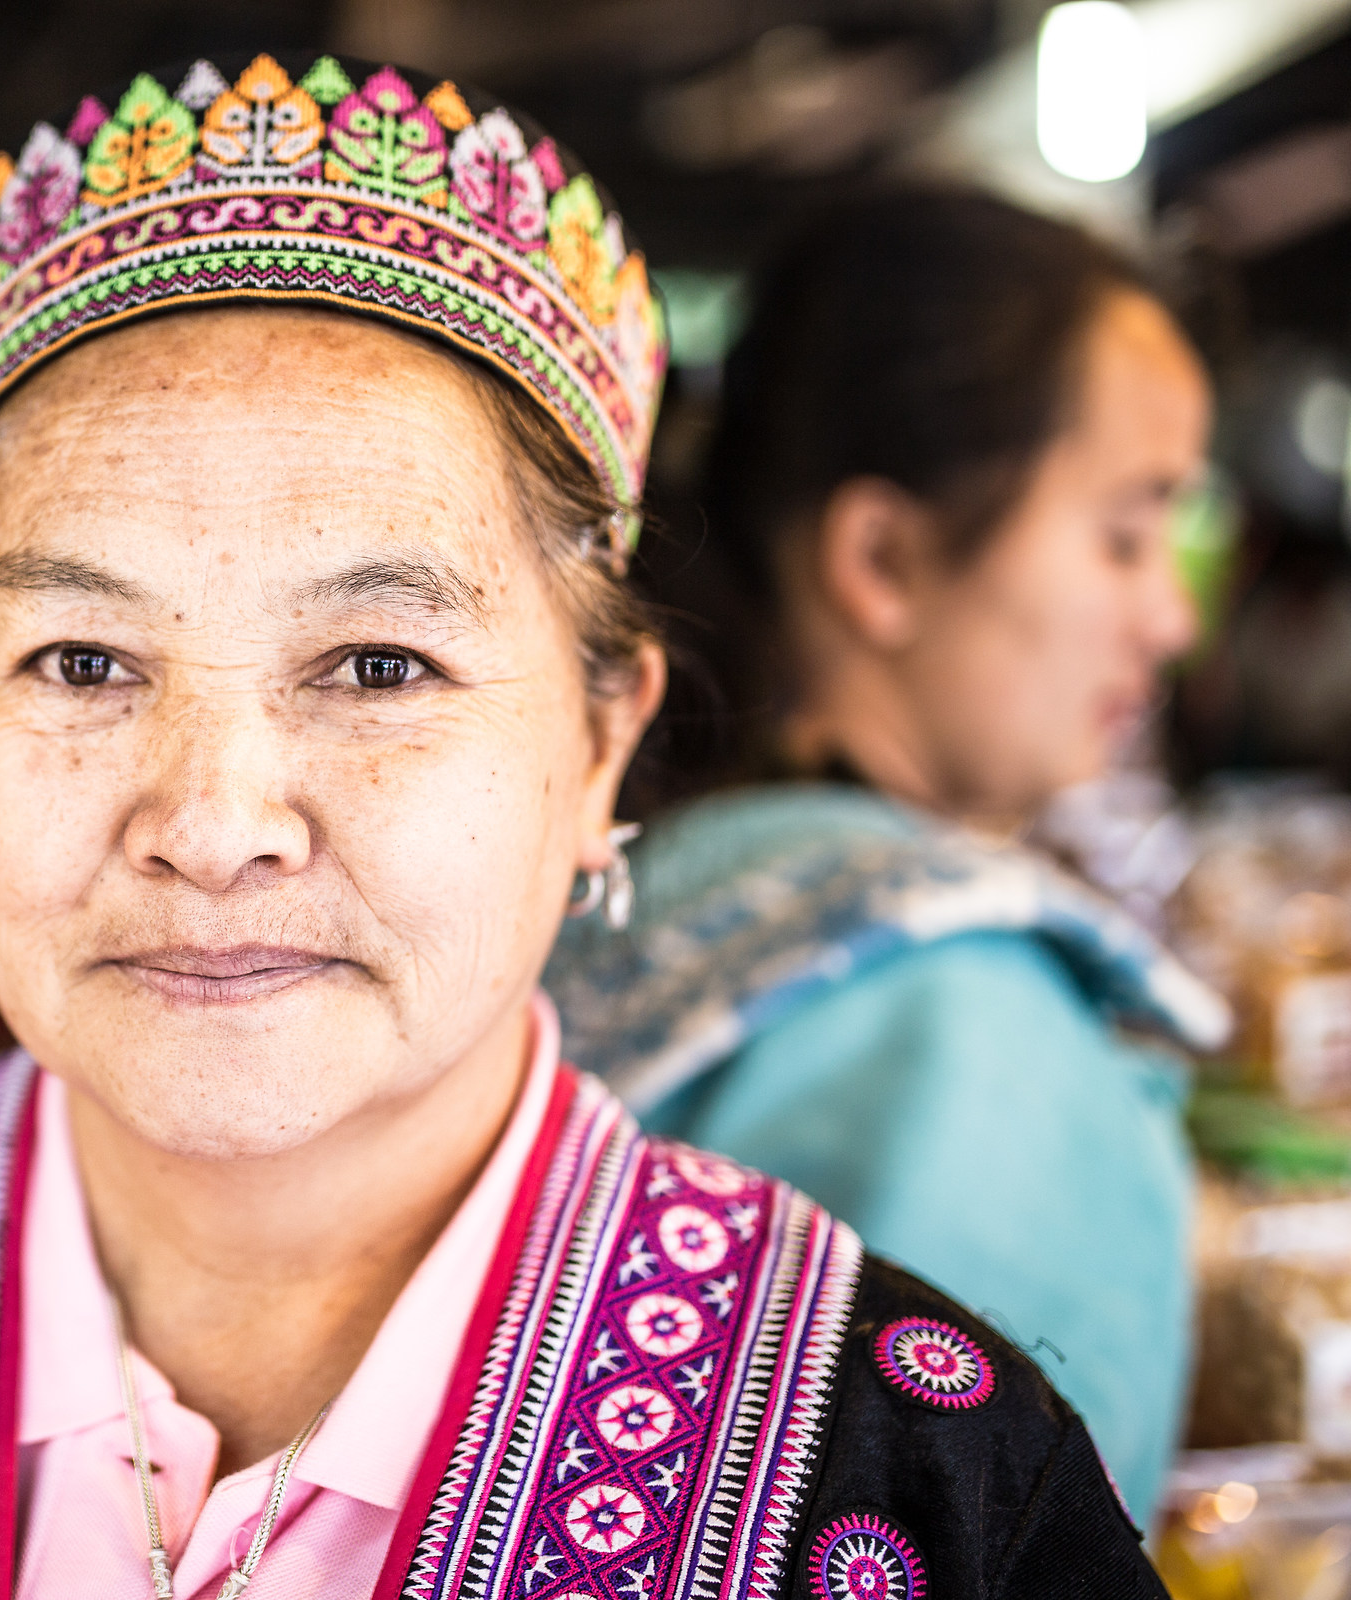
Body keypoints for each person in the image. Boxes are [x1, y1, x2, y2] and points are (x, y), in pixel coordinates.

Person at [0, 60, 1162, 1599]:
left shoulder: (920, 1490)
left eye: (377, 662)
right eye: (82, 660)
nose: (213, 823)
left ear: (598, 748)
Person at [548, 189, 1229, 1522]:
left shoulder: (654, 870)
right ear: (886, 558)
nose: (1171, 617)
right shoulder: (967, 1030)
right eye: (1125, 532)